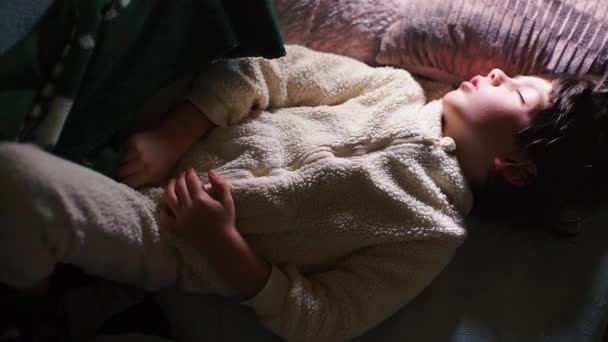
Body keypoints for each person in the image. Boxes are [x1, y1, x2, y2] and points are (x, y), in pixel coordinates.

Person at [0, 45, 606, 342]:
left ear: (516, 168)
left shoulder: (430, 233)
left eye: (521, 94)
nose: (498, 71)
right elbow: (266, 68)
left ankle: (32, 307)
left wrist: (222, 242)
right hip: (176, 129)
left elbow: (324, 316)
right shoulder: (391, 88)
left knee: (19, 182)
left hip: (167, 234)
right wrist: (170, 136)